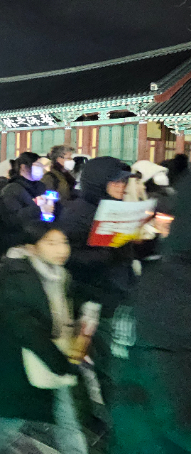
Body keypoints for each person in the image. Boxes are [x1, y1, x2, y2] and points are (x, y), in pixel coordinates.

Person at [0, 222, 87, 454]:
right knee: (13, 416)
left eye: (63, 242)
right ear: (32, 247)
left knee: (67, 418)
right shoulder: (16, 276)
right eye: (51, 243)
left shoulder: (61, 275)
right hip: (23, 362)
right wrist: (61, 363)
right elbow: (26, 328)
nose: (61, 249)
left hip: (54, 357)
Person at [110, 172, 191, 453]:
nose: (124, 186)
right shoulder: (168, 292)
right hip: (154, 438)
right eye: (118, 182)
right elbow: (173, 412)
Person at [58, 156, 134, 408]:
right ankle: (97, 409)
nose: (122, 187)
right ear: (99, 182)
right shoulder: (77, 212)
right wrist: (108, 252)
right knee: (103, 361)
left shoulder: (117, 208)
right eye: (116, 182)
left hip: (116, 294)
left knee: (108, 359)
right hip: (91, 298)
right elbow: (66, 255)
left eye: (124, 182)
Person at [0, 152, 50, 265]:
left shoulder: (41, 187)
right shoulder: (11, 190)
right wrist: (39, 209)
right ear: (23, 167)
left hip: (37, 242)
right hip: (17, 245)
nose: (40, 169)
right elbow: (11, 219)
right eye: (36, 166)